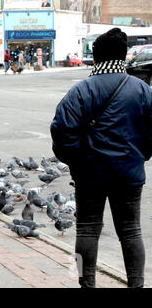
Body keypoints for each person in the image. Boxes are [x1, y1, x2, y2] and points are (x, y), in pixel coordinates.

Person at [50, 28, 151, 288]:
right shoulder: (141, 89)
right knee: (131, 232)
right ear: (124, 55)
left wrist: (76, 162)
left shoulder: (81, 91)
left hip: (90, 174)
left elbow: (62, 131)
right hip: (129, 172)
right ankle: (136, 285)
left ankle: (87, 284)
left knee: (87, 230)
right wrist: (140, 155)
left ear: (95, 58)